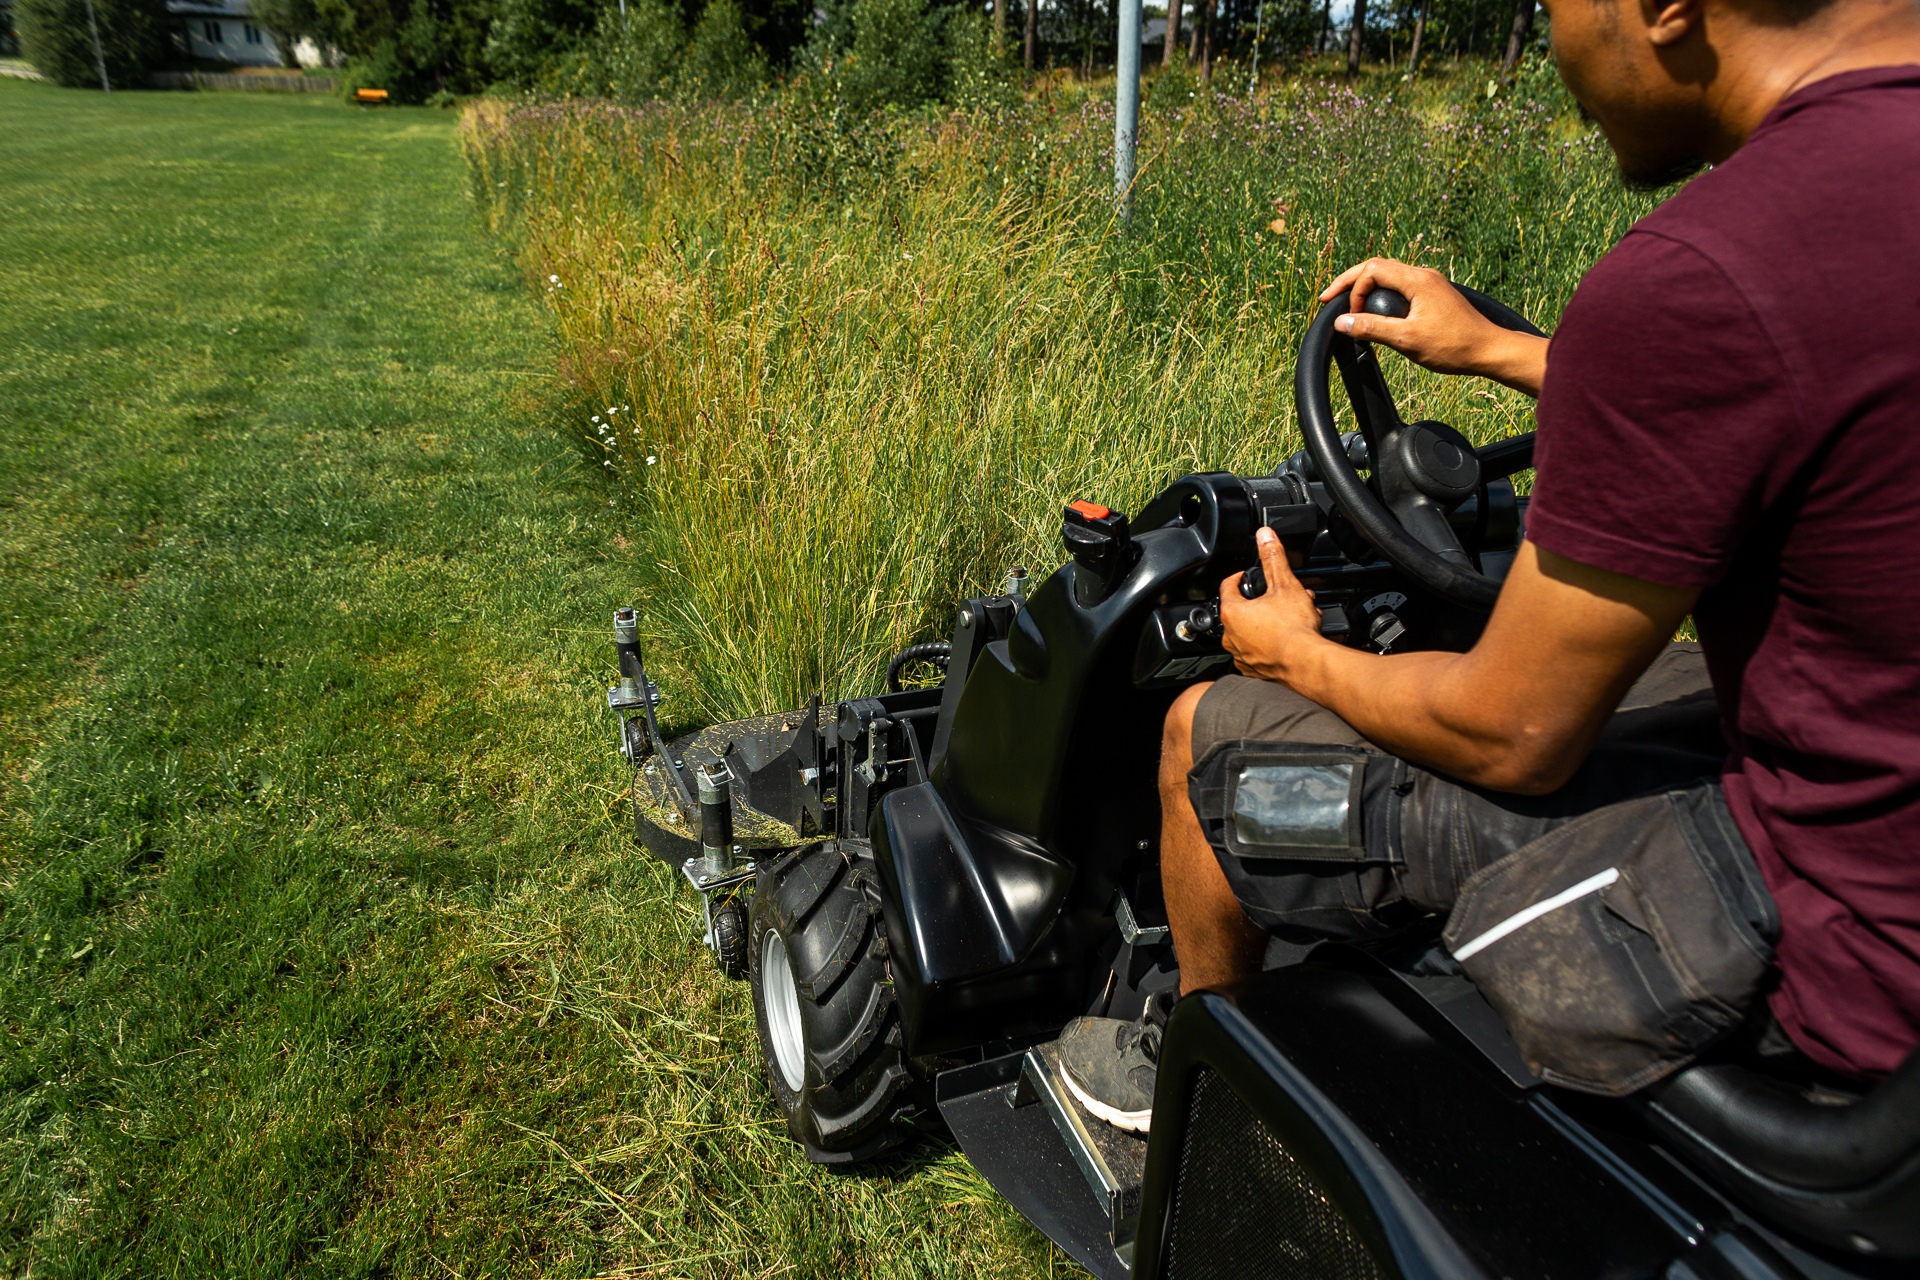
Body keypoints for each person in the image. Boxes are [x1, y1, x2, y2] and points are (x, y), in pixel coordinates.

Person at [1057, 0, 1920, 1134]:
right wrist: (1506, 352)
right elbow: (1807, 376)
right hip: (1880, 807)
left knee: (1207, 734)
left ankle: (1202, 1093)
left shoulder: (1705, 268)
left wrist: (1298, 655)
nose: (1555, 39)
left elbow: (1512, 734)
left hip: (1845, 949)